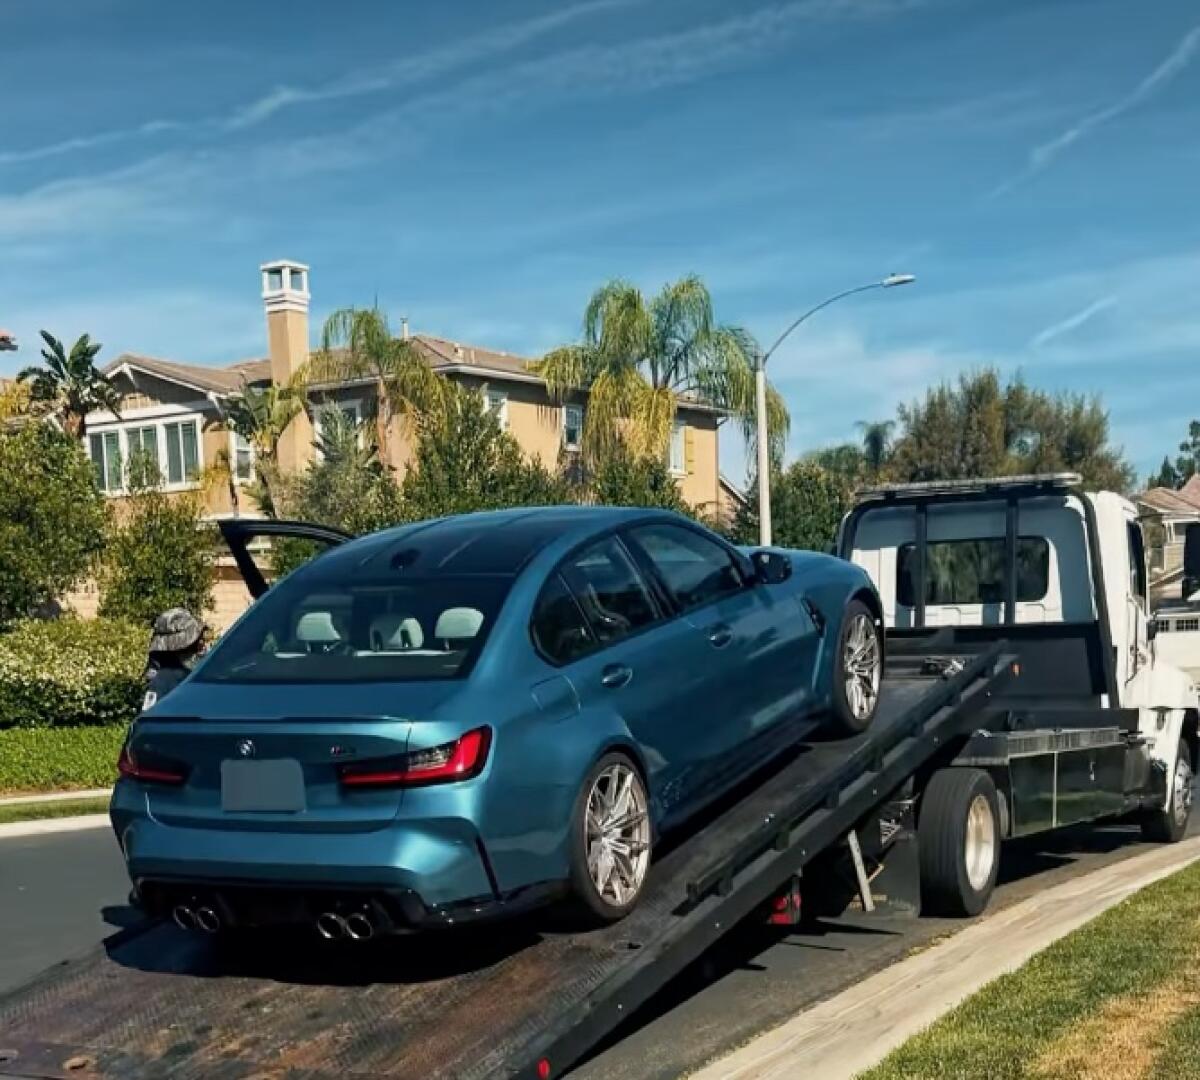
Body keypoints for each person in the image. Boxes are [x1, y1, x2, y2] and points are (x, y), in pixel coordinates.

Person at [142, 608, 208, 710]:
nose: (203, 644)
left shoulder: (194, 674)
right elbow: (151, 719)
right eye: (198, 639)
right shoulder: (165, 680)